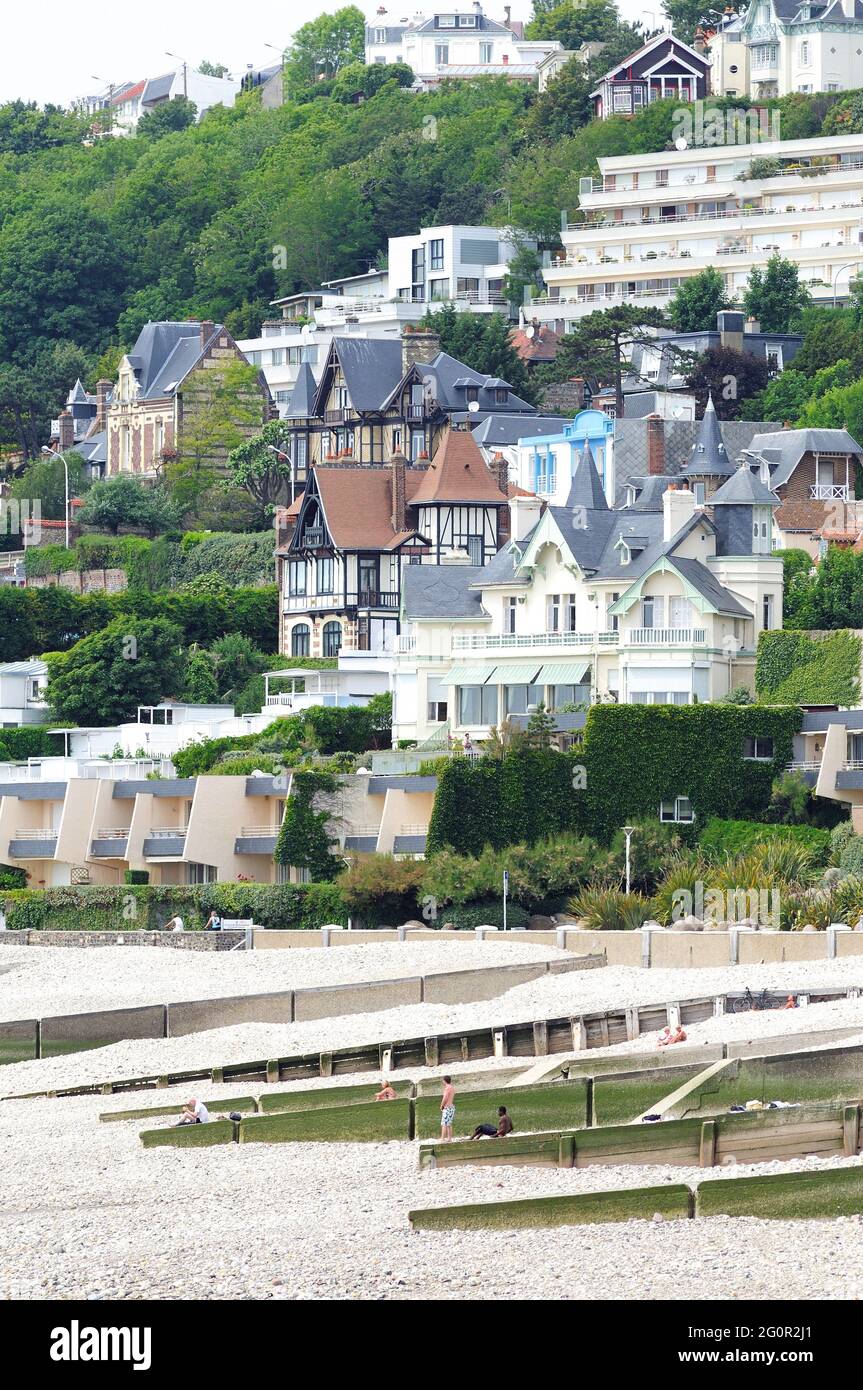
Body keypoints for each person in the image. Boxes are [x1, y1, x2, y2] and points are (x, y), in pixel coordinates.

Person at [440, 1076, 456, 1141]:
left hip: (447, 1108)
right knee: (449, 1124)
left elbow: (445, 1098)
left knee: (444, 1124)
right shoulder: (452, 1088)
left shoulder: (447, 1088)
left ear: (444, 1081)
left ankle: (442, 1138)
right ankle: (449, 1138)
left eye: (443, 1080)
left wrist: (441, 1105)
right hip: (452, 1107)